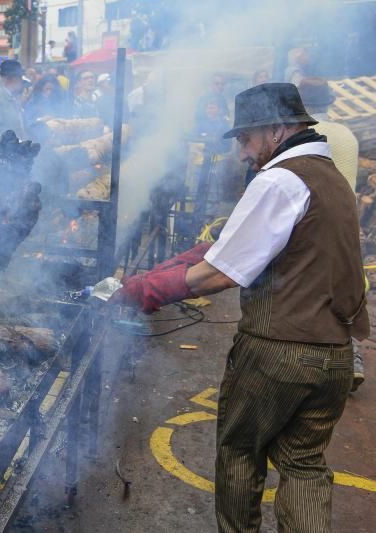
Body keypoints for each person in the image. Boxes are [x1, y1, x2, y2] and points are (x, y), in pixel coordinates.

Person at [111, 83, 368, 532]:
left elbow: (218, 275)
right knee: (304, 465)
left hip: (279, 352)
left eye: (245, 139)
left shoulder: (280, 179)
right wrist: (184, 259)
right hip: (334, 354)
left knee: (239, 453)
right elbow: (235, 248)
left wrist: (143, 292)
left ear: (276, 130)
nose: (242, 154)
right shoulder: (331, 179)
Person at [299, 76, 365, 392]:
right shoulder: (347, 135)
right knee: (347, 282)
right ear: (329, 103)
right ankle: (352, 358)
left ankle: (315, 362)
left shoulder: (306, 135)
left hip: (314, 221)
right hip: (348, 220)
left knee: (309, 288)